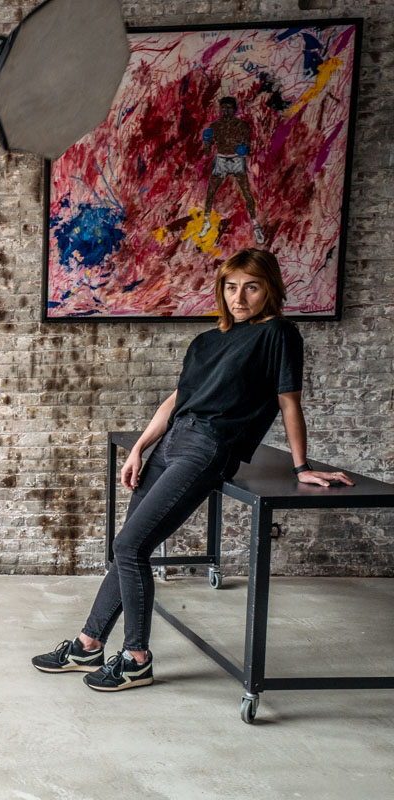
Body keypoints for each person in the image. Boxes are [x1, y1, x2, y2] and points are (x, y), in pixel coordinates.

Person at [31, 249, 353, 691]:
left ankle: (136, 658)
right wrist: (139, 448)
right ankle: (88, 645)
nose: (239, 297)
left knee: (130, 546)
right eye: (231, 287)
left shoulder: (278, 333)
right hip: (172, 443)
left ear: (270, 290)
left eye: (252, 287)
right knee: (127, 549)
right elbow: (176, 400)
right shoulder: (205, 341)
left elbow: (288, 402)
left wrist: (302, 466)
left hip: (208, 447)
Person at [199, 96, 265, 245]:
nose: (225, 111)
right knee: (210, 192)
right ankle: (206, 222)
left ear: (234, 109)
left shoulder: (242, 125)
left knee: (246, 192)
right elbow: (207, 152)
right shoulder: (215, 126)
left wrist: (244, 149)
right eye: (223, 108)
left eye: (228, 108)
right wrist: (206, 141)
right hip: (221, 160)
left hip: (236, 160)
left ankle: (256, 225)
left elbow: (248, 147)